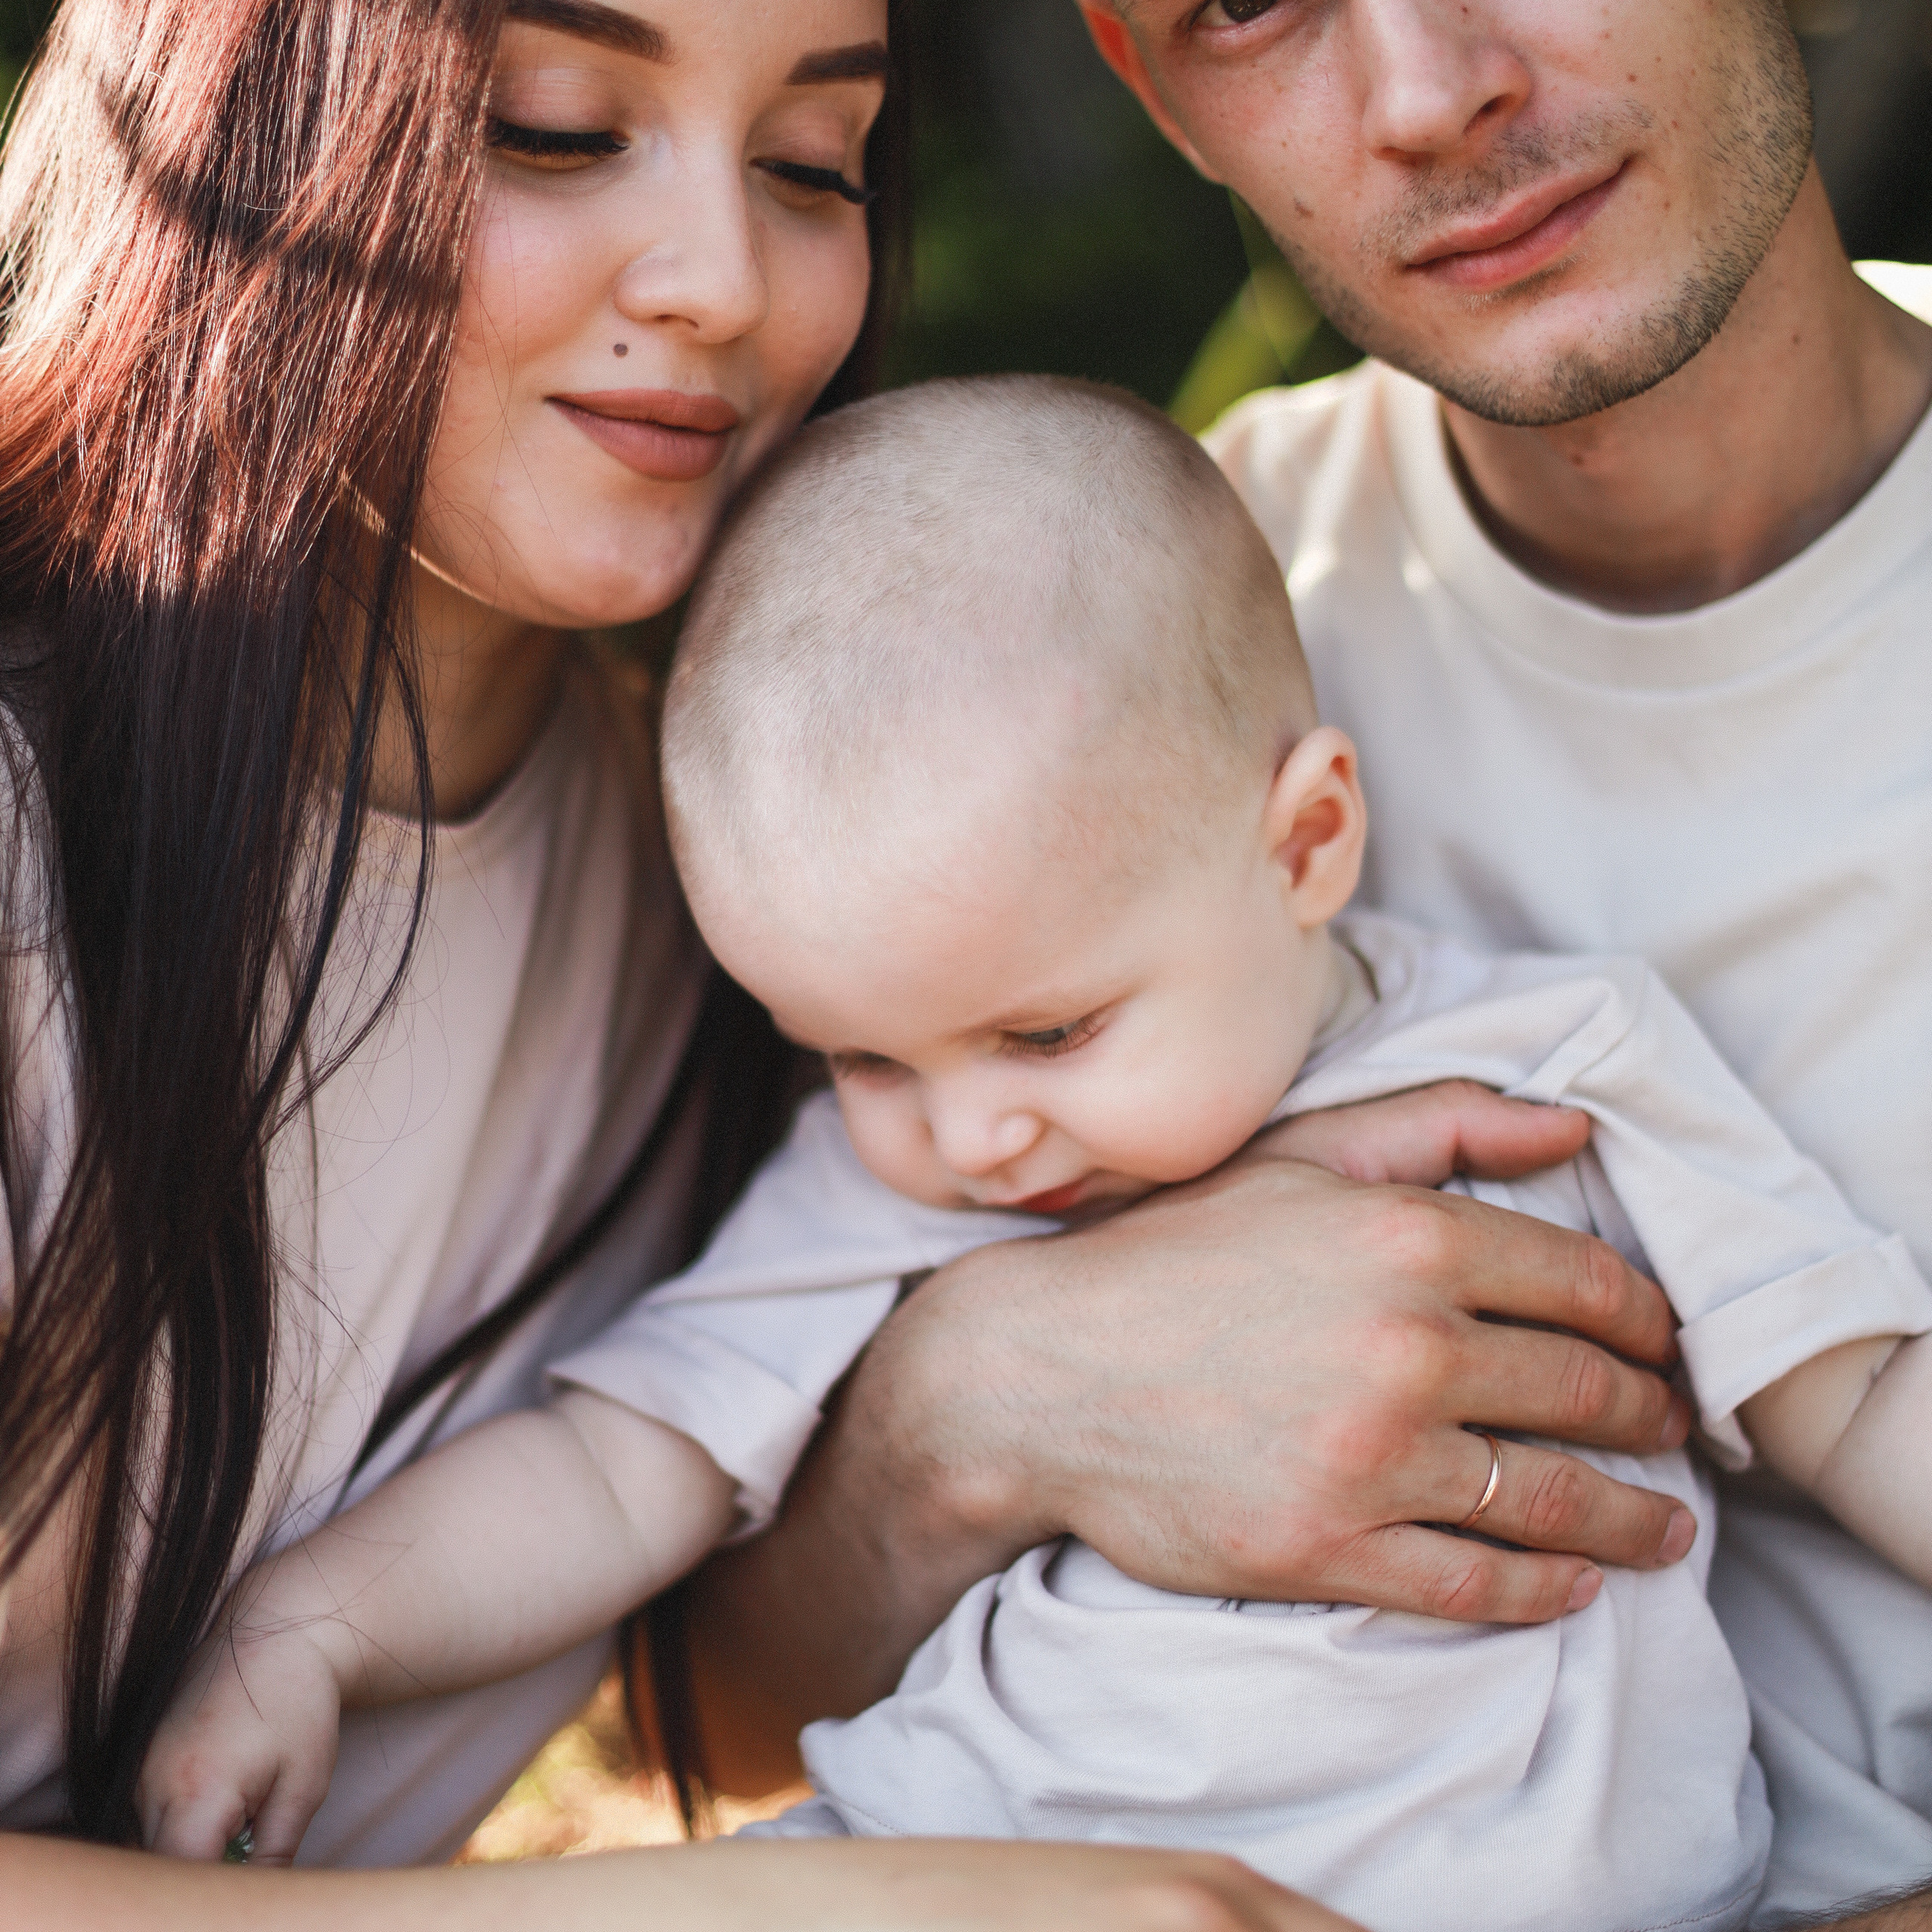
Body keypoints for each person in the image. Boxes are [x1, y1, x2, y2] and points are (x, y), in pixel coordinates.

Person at [132, 375, 1932, 1932]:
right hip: (983, 1852)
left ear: (1303, 842)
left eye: (1050, 1032)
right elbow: (615, 1470)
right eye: (853, 1052)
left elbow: (1850, 1395)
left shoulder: (1557, 1068)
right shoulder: (892, 1178)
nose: (972, 1132)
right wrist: (314, 1626)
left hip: (1555, 1889)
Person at [0, 2, 1359, 1926]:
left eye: (814, 167)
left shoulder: (794, 911)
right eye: (556, 128)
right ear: (247, 117)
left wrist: (992, 1399)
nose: (726, 281)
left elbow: (704, 1715)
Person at [966, 0, 1932, 1923]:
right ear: (1153, 88)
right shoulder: (1119, 655)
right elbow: (736, 1701)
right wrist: (975, 1388)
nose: (1429, 94)